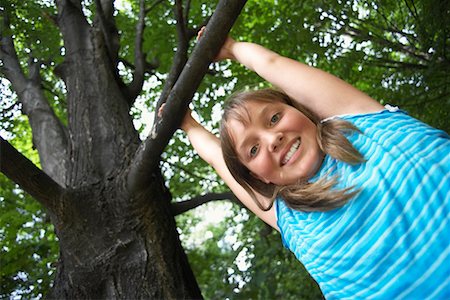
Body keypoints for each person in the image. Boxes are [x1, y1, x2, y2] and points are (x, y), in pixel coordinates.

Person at [170, 27, 450, 298]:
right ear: (259, 178)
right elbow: (216, 157)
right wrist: (188, 124)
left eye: (274, 118)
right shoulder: (289, 217)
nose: (272, 139)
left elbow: (273, 63)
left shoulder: (361, 124)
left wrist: (232, 48)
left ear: (300, 110)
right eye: (253, 150)